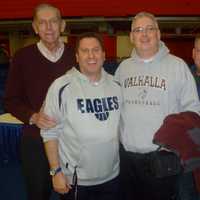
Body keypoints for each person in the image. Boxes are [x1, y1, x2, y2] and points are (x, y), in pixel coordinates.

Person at [115, 11, 200, 200]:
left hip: (162, 159)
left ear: (158, 34)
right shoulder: (123, 69)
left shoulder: (177, 66)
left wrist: (174, 145)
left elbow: (193, 112)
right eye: (138, 30)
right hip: (127, 160)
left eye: (149, 29)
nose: (144, 34)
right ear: (131, 37)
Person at [4, 3, 75, 200]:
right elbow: (10, 100)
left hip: (71, 140)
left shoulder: (76, 55)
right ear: (35, 27)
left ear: (62, 25)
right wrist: (33, 116)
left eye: (53, 21)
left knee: (72, 193)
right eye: (42, 23)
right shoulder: (22, 57)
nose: (49, 27)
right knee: (38, 193)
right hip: (36, 139)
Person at [40, 32, 121, 200]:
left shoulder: (117, 85)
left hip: (112, 177)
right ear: (77, 57)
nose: (91, 55)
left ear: (104, 55)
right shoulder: (61, 86)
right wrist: (55, 172)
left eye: (96, 50)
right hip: (77, 181)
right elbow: (49, 132)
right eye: (85, 51)